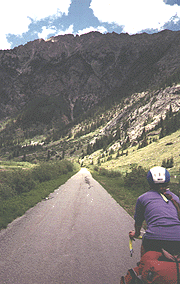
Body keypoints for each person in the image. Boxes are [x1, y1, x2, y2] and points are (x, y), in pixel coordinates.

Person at [129, 166, 180, 256]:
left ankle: (143, 268)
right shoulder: (175, 198)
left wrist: (136, 234)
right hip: (178, 239)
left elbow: (138, 222)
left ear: (150, 182)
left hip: (153, 238)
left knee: (146, 260)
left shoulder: (142, 198)